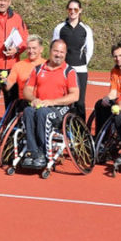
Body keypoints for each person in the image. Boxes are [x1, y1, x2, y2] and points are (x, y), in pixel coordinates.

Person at [21, 39, 79, 168]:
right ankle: (32, 151)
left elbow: (75, 96)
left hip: (60, 109)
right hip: (41, 105)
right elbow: (27, 90)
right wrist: (33, 99)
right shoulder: (38, 69)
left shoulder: (69, 71)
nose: (58, 54)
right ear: (50, 51)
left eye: (62, 52)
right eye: (56, 51)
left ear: (65, 54)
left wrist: (52, 102)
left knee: (43, 113)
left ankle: (43, 153)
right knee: (28, 111)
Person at [52, 0, 93, 120]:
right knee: (64, 101)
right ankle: (62, 127)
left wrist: (81, 63)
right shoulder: (60, 28)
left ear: (80, 10)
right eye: (70, 9)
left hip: (80, 70)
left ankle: (81, 129)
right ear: (67, 10)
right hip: (63, 70)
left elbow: (89, 50)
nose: (73, 11)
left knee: (79, 102)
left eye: (76, 9)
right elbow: (55, 47)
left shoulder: (86, 29)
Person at [93, 42, 121, 135]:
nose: (118, 59)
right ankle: (101, 136)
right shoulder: (114, 71)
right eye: (115, 56)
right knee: (100, 104)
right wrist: (106, 98)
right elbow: (113, 92)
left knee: (116, 109)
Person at [0, 34, 46, 102]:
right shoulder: (18, 65)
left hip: (43, 102)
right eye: (29, 48)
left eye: (34, 48)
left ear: (41, 49)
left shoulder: (48, 65)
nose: (31, 51)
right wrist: (3, 81)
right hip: (24, 102)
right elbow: (7, 86)